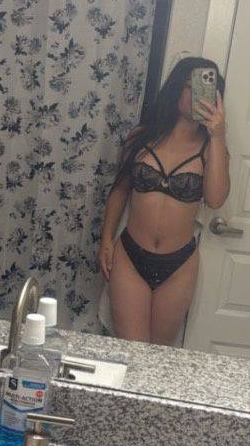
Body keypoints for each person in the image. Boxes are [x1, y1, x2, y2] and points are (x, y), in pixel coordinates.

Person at [98, 57, 230, 345]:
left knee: (157, 357)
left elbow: (215, 199)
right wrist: (106, 239)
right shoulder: (142, 137)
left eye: (205, 89)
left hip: (179, 266)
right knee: (133, 352)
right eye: (189, 86)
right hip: (130, 257)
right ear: (176, 88)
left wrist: (218, 136)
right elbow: (120, 190)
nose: (196, 95)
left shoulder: (212, 148)